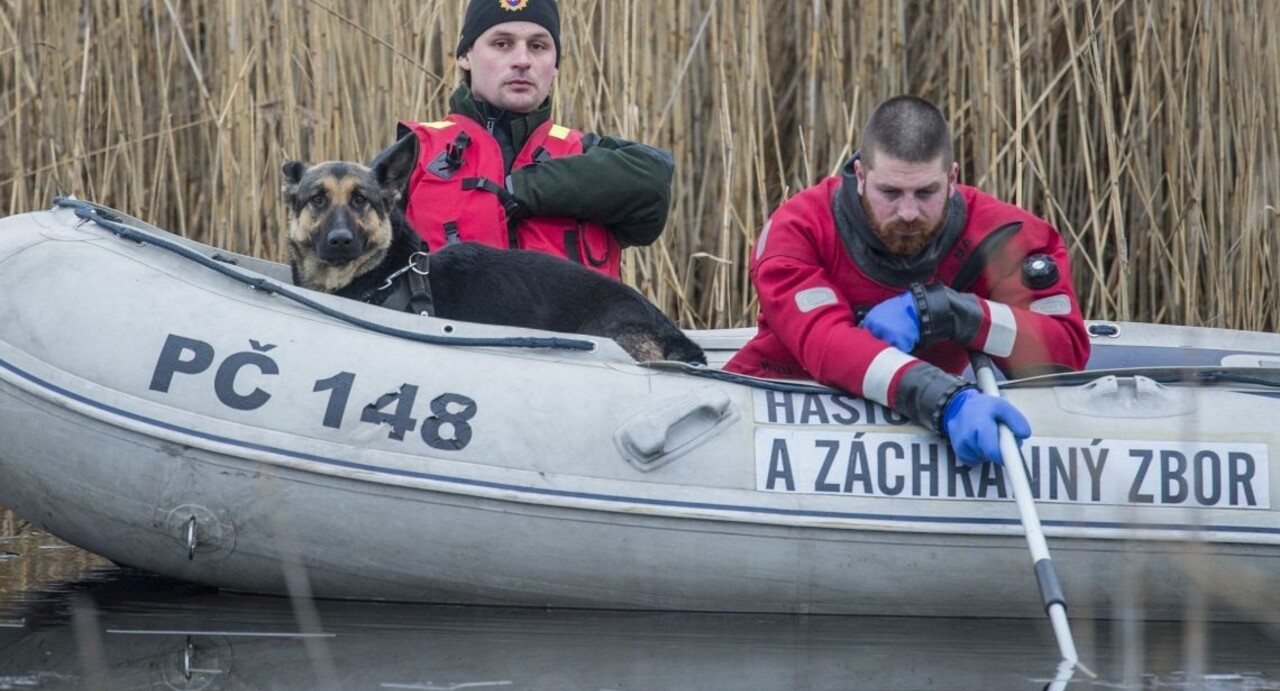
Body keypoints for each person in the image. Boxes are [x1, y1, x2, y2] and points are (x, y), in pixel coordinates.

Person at [725, 95, 1090, 466]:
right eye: (891, 193)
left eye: (926, 192)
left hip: (916, 437)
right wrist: (947, 401)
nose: (909, 212)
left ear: (951, 179)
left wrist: (950, 311)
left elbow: (1064, 351)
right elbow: (827, 345)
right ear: (861, 176)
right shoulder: (799, 229)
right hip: (782, 419)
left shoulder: (1003, 235)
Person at [395, 0, 673, 280]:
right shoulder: (413, 154)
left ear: (554, 66)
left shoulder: (585, 152)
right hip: (438, 324)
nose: (522, 60)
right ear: (465, 55)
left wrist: (523, 189)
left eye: (538, 46)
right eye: (502, 44)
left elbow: (654, 186)